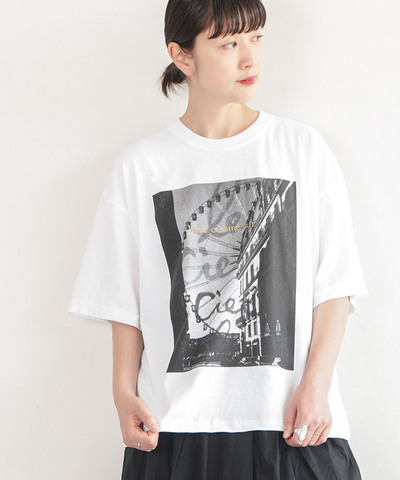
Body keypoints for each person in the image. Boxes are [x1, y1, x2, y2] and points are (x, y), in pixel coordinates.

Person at [67, 0, 369, 478]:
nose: (250, 58)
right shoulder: (142, 167)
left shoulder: (301, 149)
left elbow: (334, 284)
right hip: (177, 428)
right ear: (182, 56)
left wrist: (316, 384)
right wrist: (123, 395)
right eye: (228, 44)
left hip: (292, 422)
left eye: (256, 37)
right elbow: (123, 301)